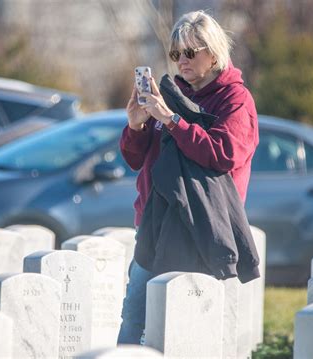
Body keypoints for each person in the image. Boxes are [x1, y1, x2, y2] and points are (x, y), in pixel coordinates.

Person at [118, 10, 259, 344]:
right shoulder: (167, 95)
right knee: (134, 319)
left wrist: (171, 121)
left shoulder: (235, 99)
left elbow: (222, 154)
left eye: (191, 52)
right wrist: (136, 124)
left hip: (201, 230)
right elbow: (135, 159)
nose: (182, 60)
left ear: (214, 53)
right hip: (153, 224)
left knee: (188, 332)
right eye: (176, 53)